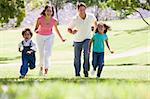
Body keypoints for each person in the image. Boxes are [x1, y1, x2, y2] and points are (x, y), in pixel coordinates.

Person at [34, 5, 66, 76]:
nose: (49, 12)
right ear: (45, 11)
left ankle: (46, 71)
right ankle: (41, 68)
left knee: (47, 54)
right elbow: (35, 28)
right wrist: (36, 30)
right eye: (47, 10)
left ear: (52, 12)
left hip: (50, 37)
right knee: (41, 54)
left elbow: (56, 30)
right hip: (40, 37)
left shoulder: (54, 20)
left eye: (50, 11)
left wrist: (62, 38)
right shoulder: (40, 19)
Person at [68, 2, 97, 77]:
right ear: (78, 10)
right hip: (77, 40)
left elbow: (95, 23)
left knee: (86, 55)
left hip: (87, 38)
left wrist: (94, 31)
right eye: (80, 10)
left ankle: (86, 71)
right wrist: (72, 32)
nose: (82, 11)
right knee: (77, 58)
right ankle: (77, 73)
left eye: (83, 9)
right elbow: (69, 29)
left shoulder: (91, 16)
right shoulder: (75, 19)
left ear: (85, 9)